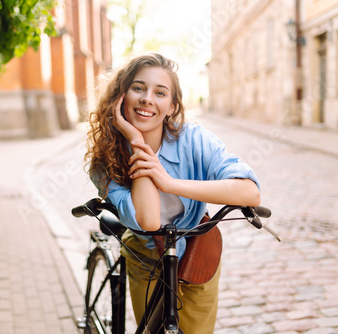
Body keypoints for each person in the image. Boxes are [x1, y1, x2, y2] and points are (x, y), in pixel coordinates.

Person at [85, 53, 260, 333]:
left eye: (160, 92)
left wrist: (169, 183)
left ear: (172, 106)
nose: (147, 98)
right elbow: (150, 220)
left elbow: (250, 191)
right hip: (145, 255)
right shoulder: (105, 161)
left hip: (197, 254)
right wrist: (136, 140)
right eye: (138, 88)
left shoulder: (193, 139)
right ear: (121, 96)